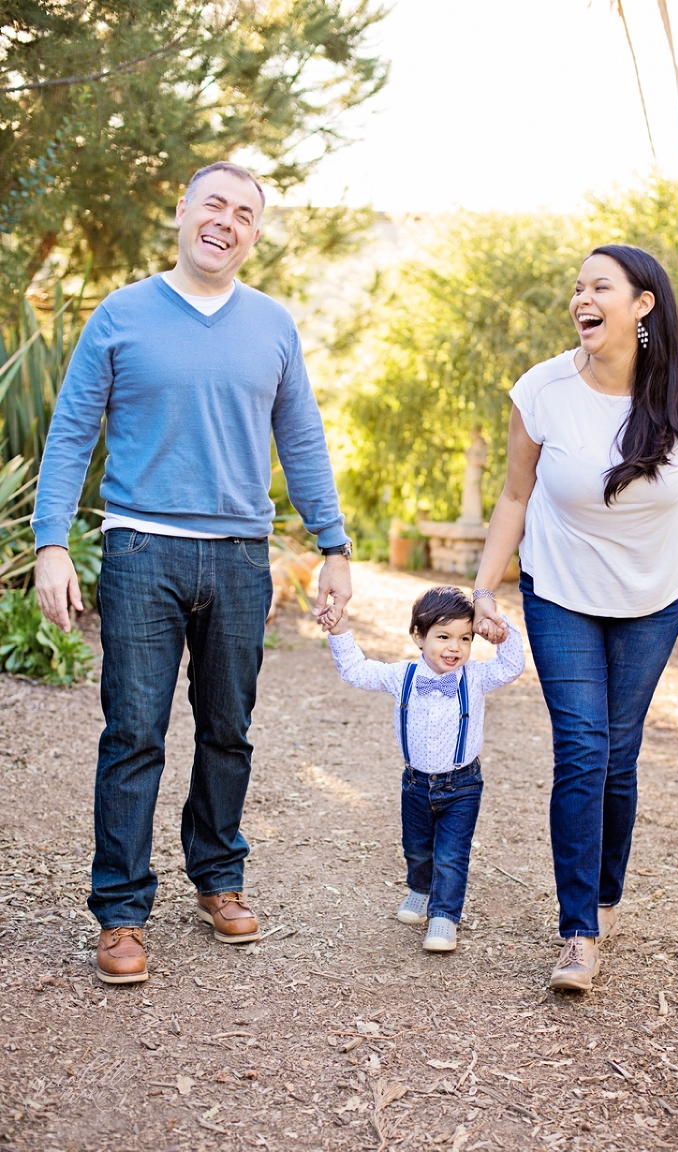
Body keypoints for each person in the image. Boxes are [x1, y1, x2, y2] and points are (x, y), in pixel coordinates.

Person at [32, 161, 353, 984]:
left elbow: (302, 439)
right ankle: (121, 911)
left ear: (254, 234)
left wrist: (335, 546)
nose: (226, 221)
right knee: (134, 733)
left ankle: (217, 876)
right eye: (215, 203)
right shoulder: (121, 313)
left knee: (228, 730)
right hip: (141, 549)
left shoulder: (273, 325)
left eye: (245, 213)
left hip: (241, 556)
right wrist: (51, 543)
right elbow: (71, 431)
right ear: (182, 211)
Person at [471, 245, 678, 992]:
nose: (581, 299)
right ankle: (578, 930)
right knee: (583, 749)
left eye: (599, 287)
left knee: (619, 751)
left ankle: (606, 895)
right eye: (577, 288)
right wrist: (484, 587)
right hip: (560, 589)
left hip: (655, 594)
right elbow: (514, 495)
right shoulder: (543, 390)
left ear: (642, 304)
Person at [326, 586, 524, 951]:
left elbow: (512, 666)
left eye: (465, 638)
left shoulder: (475, 677)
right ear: (419, 636)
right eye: (443, 637)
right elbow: (355, 670)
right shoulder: (402, 676)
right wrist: (339, 631)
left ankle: (444, 916)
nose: (455, 647)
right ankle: (419, 890)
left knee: (451, 854)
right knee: (416, 847)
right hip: (415, 783)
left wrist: (500, 627)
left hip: (463, 784)